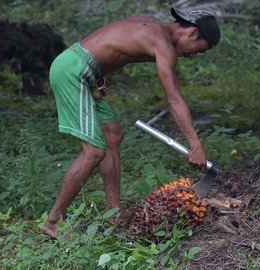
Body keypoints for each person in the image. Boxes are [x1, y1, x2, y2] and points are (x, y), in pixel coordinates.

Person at [41, 7, 221, 239]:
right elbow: (174, 98)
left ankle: (114, 212)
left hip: (87, 73)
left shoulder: (152, 25)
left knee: (113, 134)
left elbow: (111, 42)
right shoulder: (162, 42)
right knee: (94, 152)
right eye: (200, 49)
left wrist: (98, 75)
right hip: (74, 71)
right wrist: (195, 144)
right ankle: (54, 221)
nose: (194, 55)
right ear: (192, 32)